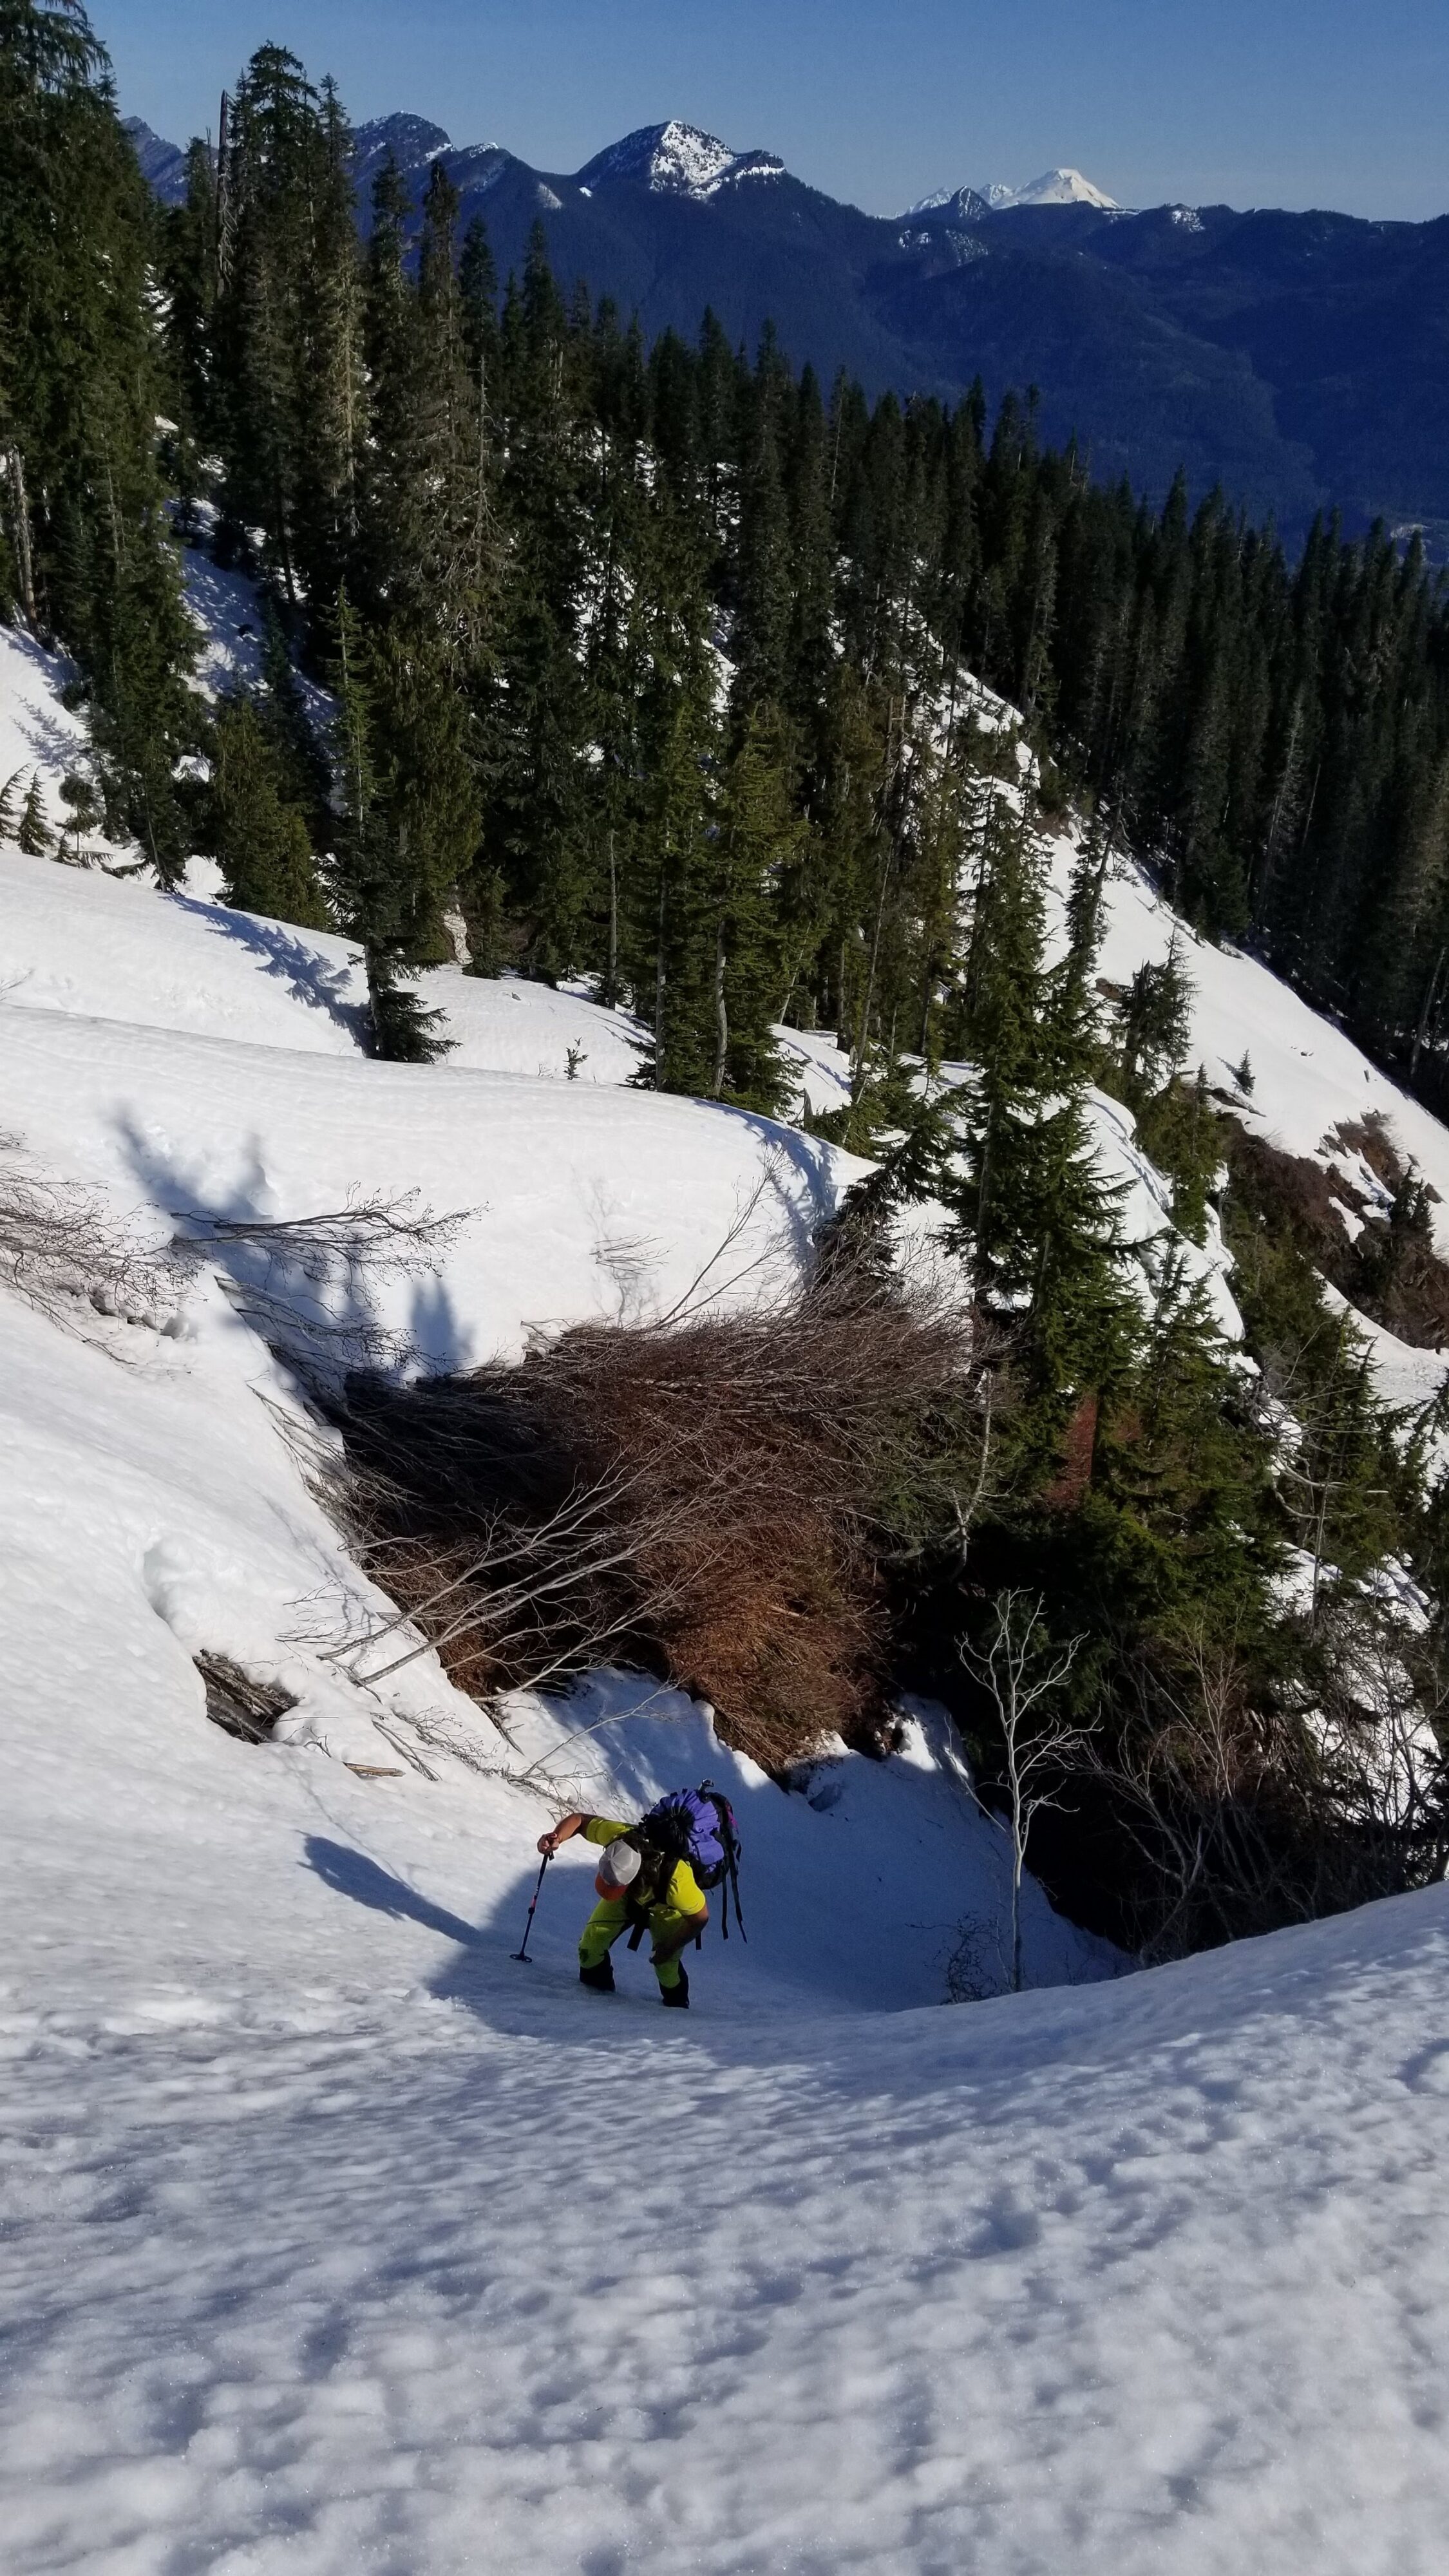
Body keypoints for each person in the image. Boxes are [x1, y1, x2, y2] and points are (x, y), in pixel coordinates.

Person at [537, 1809, 708, 2008]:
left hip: (667, 1910)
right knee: (590, 1947)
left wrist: (669, 1948)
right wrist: (557, 1837)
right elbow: (580, 1820)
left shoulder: (677, 1880)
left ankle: (678, 2012)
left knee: (666, 1967)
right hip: (629, 1897)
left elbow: (700, 1918)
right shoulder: (619, 1837)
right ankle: (597, 2000)